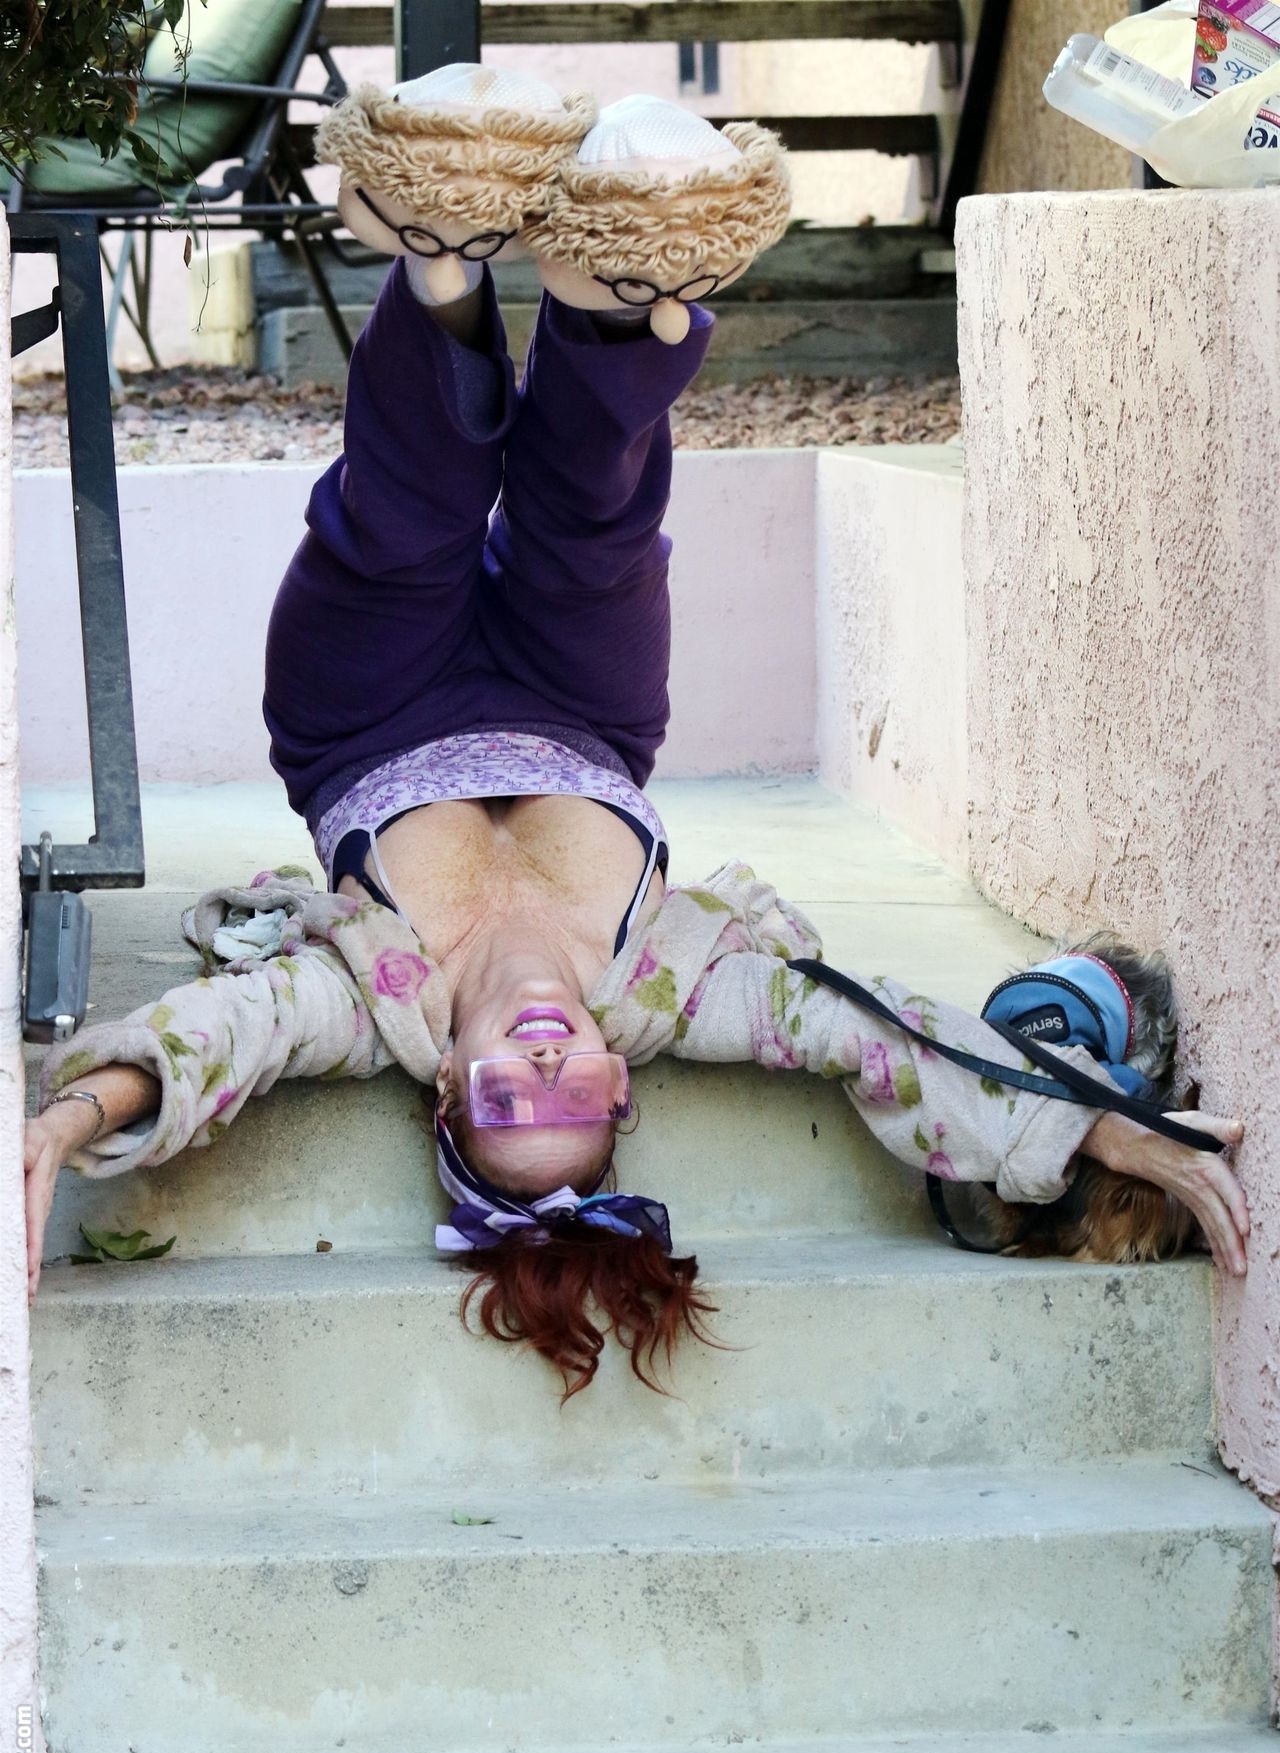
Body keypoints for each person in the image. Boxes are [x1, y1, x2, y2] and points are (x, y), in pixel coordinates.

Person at [23, 71, 1249, 1397]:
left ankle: (443, 245)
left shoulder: (376, 1002)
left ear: (448, 1091)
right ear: (623, 1078)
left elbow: (222, 1042)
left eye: (512, 1100)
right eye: (581, 1098)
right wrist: (1089, 1129)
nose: (548, 1061)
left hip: (368, 720)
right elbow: (882, 1039)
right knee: (595, 536)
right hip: (580, 711)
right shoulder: (672, 988)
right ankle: (615, 283)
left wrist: (64, 1121)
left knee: (400, 528)